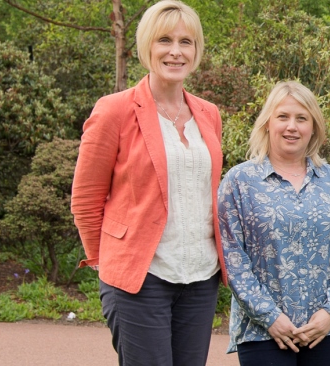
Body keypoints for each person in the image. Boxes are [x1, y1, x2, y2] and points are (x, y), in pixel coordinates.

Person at [70, 2, 223, 365]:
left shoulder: (208, 113)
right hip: (140, 279)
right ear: (146, 47)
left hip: (201, 277)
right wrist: (111, 263)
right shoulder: (114, 110)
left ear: (197, 50)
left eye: (186, 42)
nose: (175, 51)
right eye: (164, 40)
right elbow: (86, 199)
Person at [218, 81, 330, 365]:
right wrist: (270, 317)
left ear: (313, 127)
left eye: (301, 118)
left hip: (325, 329)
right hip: (263, 330)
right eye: (282, 117)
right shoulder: (239, 182)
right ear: (267, 123)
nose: (291, 127)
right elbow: (232, 258)